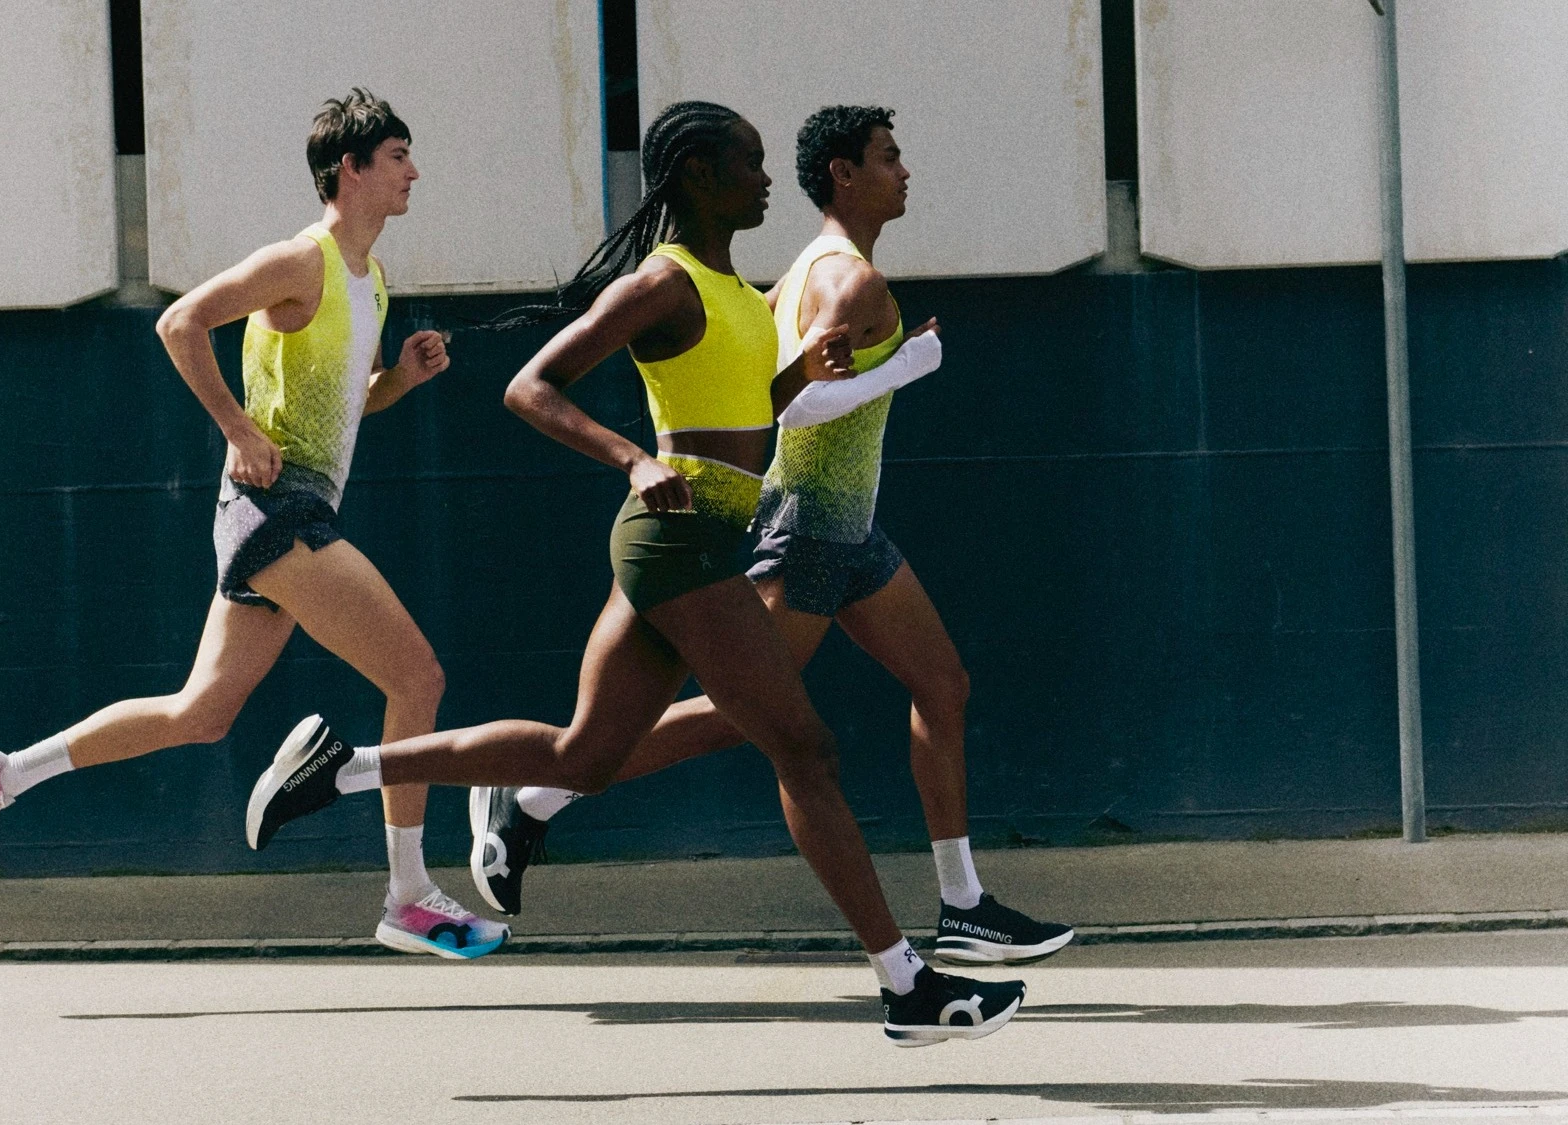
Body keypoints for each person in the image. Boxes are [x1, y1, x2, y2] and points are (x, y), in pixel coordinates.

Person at [246, 100, 1024, 1045]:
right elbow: (530, 387)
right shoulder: (665, 281)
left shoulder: (738, 292)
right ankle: (907, 985)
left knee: (583, 756)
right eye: (748, 163)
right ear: (697, 173)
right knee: (805, 749)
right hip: (676, 541)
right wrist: (632, 459)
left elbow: (750, 408)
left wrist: (804, 375)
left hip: (697, 542)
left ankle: (342, 770)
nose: (766, 180)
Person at [472, 105, 1074, 968]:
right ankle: (536, 795)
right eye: (889, 157)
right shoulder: (846, 281)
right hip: (808, 526)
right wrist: (908, 365)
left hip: (850, 528)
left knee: (943, 683)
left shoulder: (800, 273)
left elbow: (772, 386)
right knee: (750, 720)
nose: (905, 172)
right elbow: (796, 407)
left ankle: (964, 904)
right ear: (843, 175)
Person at [0, 89, 508, 961]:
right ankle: (408, 894)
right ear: (350, 170)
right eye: (398, 157)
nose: (414, 172)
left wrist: (401, 380)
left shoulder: (372, 281)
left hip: (285, 515)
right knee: (417, 675)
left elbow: (344, 403)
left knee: (200, 712)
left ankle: (2, 774)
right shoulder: (299, 261)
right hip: (277, 512)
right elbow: (180, 321)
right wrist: (237, 428)